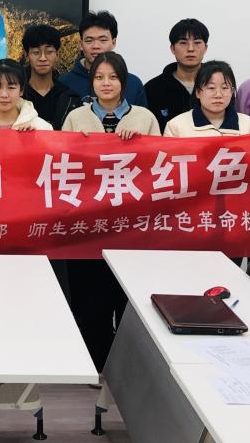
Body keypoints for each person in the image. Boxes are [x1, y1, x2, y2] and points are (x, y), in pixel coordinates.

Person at [61, 52, 159, 378]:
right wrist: (79, 146)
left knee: (129, 300)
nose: (106, 83)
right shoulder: (76, 118)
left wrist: (140, 145)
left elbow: (161, 165)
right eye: (99, 77)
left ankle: (130, 371)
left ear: (124, 82)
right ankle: (97, 366)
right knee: (91, 300)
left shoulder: (144, 118)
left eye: (113, 77)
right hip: (87, 225)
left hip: (131, 225)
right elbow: (59, 165)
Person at [59, 10, 148, 108]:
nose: (96, 46)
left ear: (113, 42)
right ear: (81, 44)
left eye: (103, 40)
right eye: (89, 40)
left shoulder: (133, 84)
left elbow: (142, 117)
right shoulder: (64, 83)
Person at [164, 60, 250, 137]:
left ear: (232, 92)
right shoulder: (176, 127)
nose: (218, 94)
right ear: (198, 92)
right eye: (211, 88)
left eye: (224, 88)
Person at [143, 18, 209, 132]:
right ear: (172, 48)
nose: (190, 49)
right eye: (183, 43)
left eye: (197, 42)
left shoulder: (219, 87)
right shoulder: (152, 89)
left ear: (205, 48)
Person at [20, 24, 81, 130]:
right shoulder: (17, 95)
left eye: (49, 52)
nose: (43, 58)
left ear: (57, 54)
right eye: (36, 52)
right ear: (26, 55)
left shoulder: (71, 98)